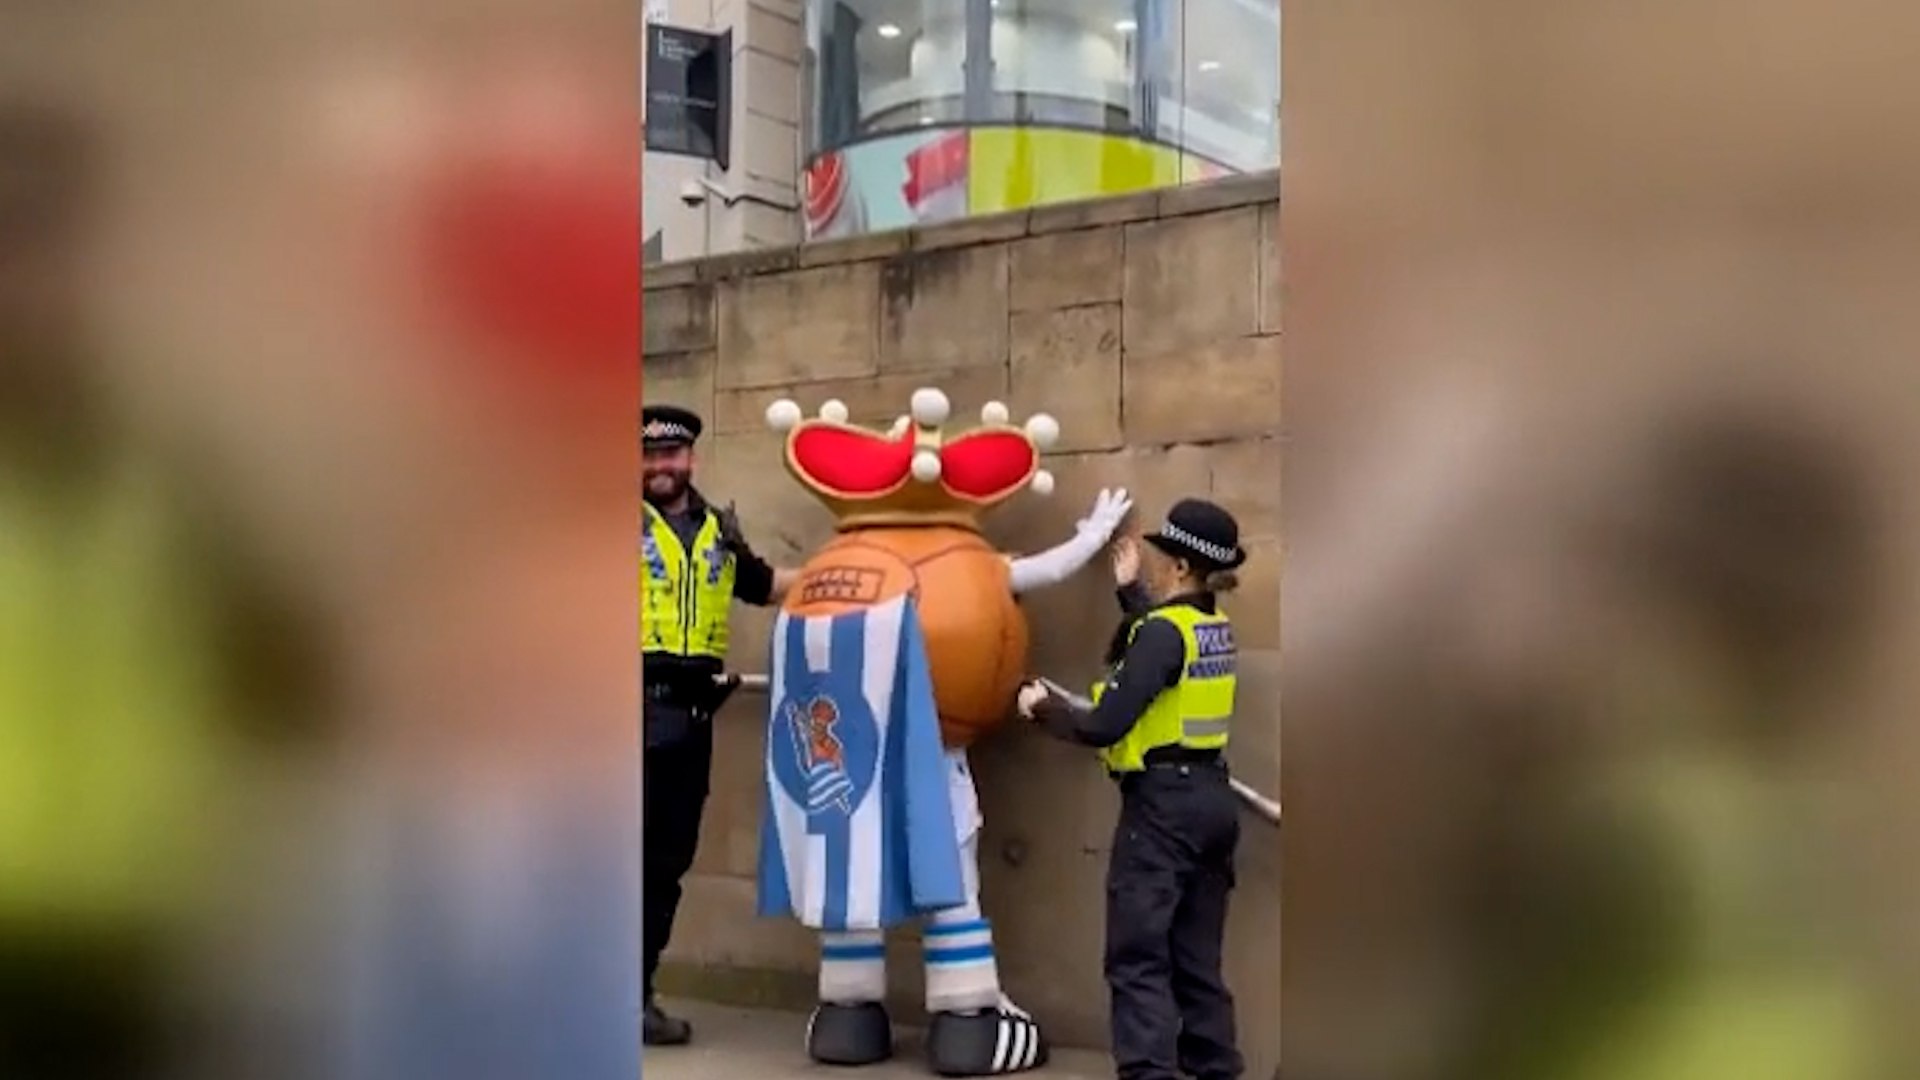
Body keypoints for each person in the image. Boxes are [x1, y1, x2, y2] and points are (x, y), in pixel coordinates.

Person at [1016, 498, 1248, 1080]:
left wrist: (1040, 708)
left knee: (1139, 957)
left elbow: (1104, 723)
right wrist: (1131, 595)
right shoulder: (1213, 629)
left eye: (1162, 555)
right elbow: (1165, 657)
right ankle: (1216, 1069)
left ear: (1180, 568)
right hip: (1212, 802)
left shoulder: (1165, 634)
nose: (1155, 560)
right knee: (1196, 959)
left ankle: (1149, 1073)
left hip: (1163, 811)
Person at [641, 403, 797, 1045]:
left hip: (690, 720)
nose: (659, 466)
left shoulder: (718, 533)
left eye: (669, 455)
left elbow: (769, 585)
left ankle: (633, 995)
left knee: (663, 866)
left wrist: (869, 575)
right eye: (648, 455)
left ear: (690, 460)